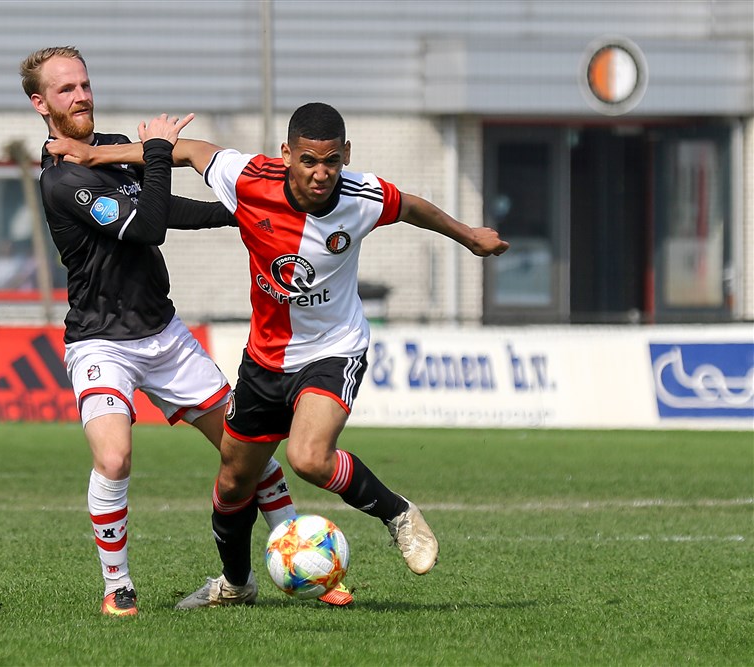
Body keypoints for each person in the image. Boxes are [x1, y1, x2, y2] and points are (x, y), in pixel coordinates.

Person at [49, 101, 509, 608]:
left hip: (333, 351)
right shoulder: (250, 177)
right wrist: (95, 157)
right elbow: (192, 152)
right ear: (287, 154)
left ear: (346, 156)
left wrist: (468, 237)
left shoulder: (363, 195)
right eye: (309, 160)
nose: (321, 174)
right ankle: (235, 585)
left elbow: (413, 207)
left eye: (332, 161)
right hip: (265, 360)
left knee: (307, 457)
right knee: (232, 482)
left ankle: (397, 513)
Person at [19, 49, 353, 616]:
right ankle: (117, 585)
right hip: (101, 340)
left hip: (163, 333)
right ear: (41, 103)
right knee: (115, 458)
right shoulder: (61, 181)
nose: (81, 96)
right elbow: (147, 227)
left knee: (245, 453)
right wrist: (153, 150)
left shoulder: (107, 150)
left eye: (84, 84)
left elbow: (163, 205)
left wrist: (240, 212)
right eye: (65, 89)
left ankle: (306, 562)